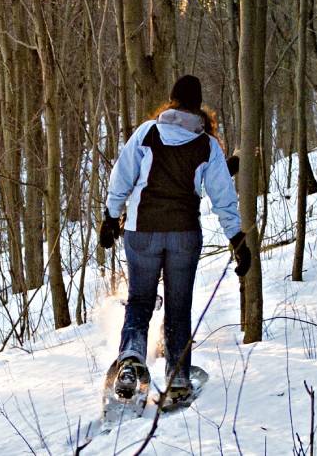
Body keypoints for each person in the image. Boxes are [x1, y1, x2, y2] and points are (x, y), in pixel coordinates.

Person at [98, 75, 250, 407]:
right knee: (178, 308)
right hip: (183, 234)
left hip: (142, 230)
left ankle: (130, 363)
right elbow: (223, 197)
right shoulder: (207, 144)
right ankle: (178, 377)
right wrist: (237, 239)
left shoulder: (147, 132)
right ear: (199, 107)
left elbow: (121, 176)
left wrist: (110, 218)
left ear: (171, 100)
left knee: (139, 301)